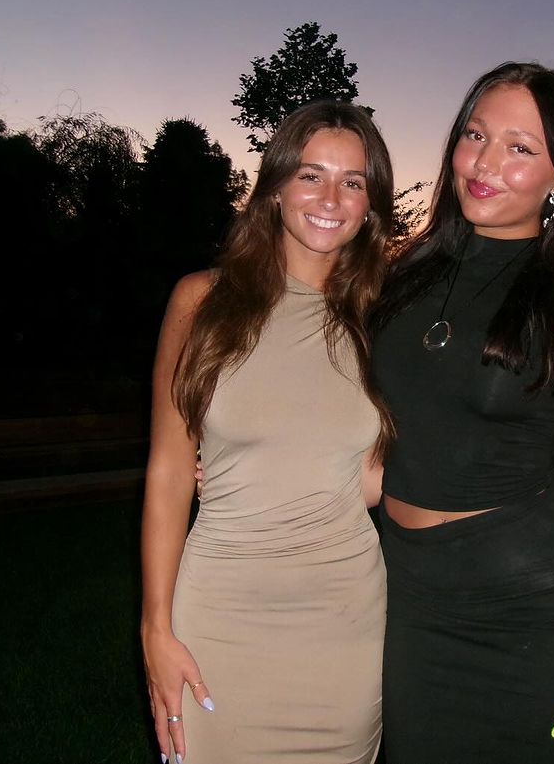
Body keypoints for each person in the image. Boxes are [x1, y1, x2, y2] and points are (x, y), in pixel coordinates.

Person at [369, 62, 554, 764]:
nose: (484, 163)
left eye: (519, 148)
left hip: (534, 609)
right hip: (406, 598)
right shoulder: (399, 275)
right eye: (475, 135)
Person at [140, 100, 395, 764]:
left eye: (352, 182)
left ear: (370, 204)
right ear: (276, 187)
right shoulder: (202, 301)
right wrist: (155, 629)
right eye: (310, 175)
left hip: (343, 627)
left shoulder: (383, 319)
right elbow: (168, 473)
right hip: (219, 618)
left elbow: (377, 477)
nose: (330, 199)